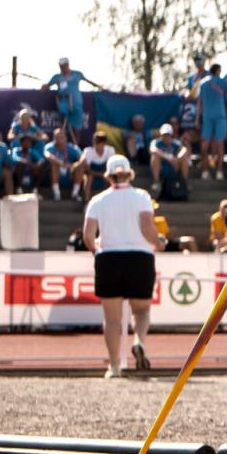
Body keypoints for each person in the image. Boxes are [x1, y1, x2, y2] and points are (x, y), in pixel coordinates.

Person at [83, 155, 159, 379]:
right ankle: (139, 341)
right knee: (142, 310)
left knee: (112, 319)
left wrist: (97, 252)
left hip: (109, 258)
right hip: (140, 257)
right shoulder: (141, 197)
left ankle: (114, 366)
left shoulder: (98, 201)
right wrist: (159, 241)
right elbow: (147, 228)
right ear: (129, 174)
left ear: (108, 176)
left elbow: (88, 235)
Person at [44, 57, 97, 139]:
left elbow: (89, 81)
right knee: (64, 123)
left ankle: (76, 146)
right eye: (60, 66)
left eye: (63, 66)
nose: (62, 68)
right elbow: (46, 86)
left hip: (77, 102)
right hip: (64, 103)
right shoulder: (57, 77)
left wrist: (100, 87)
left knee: (77, 126)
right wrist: (44, 87)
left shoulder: (77, 74)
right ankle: (62, 142)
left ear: (68, 64)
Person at [193, 62, 227, 180]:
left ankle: (206, 171)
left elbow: (199, 103)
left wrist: (197, 119)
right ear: (218, 71)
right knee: (219, 145)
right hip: (218, 117)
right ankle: (218, 171)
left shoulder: (203, 83)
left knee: (206, 145)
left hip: (208, 117)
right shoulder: (220, 81)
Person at [149, 124, 192, 194]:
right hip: (162, 166)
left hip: (174, 166)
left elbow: (184, 150)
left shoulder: (176, 143)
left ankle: (185, 182)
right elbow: (152, 149)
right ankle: (156, 182)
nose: (166, 137)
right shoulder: (156, 142)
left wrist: (177, 159)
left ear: (171, 135)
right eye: (164, 135)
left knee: (185, 159)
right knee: (154, 157)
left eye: (168, 134)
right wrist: (167, 157)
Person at [42, 127, 82, 201]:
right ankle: (57, 193)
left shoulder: (72, 147)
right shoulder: (49, 147)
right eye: (56, 137)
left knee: (80, 168)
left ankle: (75, 194)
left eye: (61, 137)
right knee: (54, 165)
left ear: (66, 138)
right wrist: (60, 163)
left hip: (69, 173)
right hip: (54, 175)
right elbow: (47, 155)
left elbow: (82, 159)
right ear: (54, 138)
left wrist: (73, 166)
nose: (59, 139)